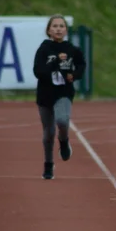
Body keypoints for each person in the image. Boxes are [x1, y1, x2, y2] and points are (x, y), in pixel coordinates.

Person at [32, 14, 87, 180]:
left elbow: (81, 65)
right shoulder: (44, 49)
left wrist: (74, 75)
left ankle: (63, 141)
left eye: (61, 26)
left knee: (62, 120)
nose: (58, 29)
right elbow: (38, 71)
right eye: (54, 26)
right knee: (48, 133)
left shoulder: (72, 49)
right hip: (45, 94)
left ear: (66, 30)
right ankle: (48, 164)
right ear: (49, 30)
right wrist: (55, 61)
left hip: (64, 92)